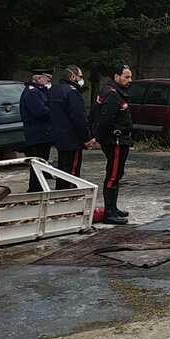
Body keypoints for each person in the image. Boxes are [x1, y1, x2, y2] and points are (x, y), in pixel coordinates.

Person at [93, 65, 134, 225]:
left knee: (117, 175)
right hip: (115, 141)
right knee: (113, 175)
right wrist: (98, 138)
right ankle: (109, 213)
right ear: (117, 76)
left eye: (130, 77)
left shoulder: (115, 92)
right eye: (126, 77)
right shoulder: (112, 94)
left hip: (120, 140)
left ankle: (113, 207)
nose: (130, 80)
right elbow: (105, 120)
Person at [49, 65, 95, 190]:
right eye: (80, 76)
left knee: (62, 170)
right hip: (72, 139)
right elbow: (79, 118)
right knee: (72, 172)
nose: (81, 79)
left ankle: (60, 194)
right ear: (73, 76)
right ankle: (69, 196)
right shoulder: (72, 93)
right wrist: (86, 137)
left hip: (59, 137)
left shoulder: (55, 90)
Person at [20, 70, 52, 192]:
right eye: (47, 79)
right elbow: (40, 111)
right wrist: (53, 110)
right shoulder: (32, 93)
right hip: (37, 134)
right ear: (38, 79)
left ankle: (39, 186)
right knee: (38, 162)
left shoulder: (38, 91)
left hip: (42, 134)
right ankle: (35, 189)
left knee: (42, 162)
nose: (48, 82)